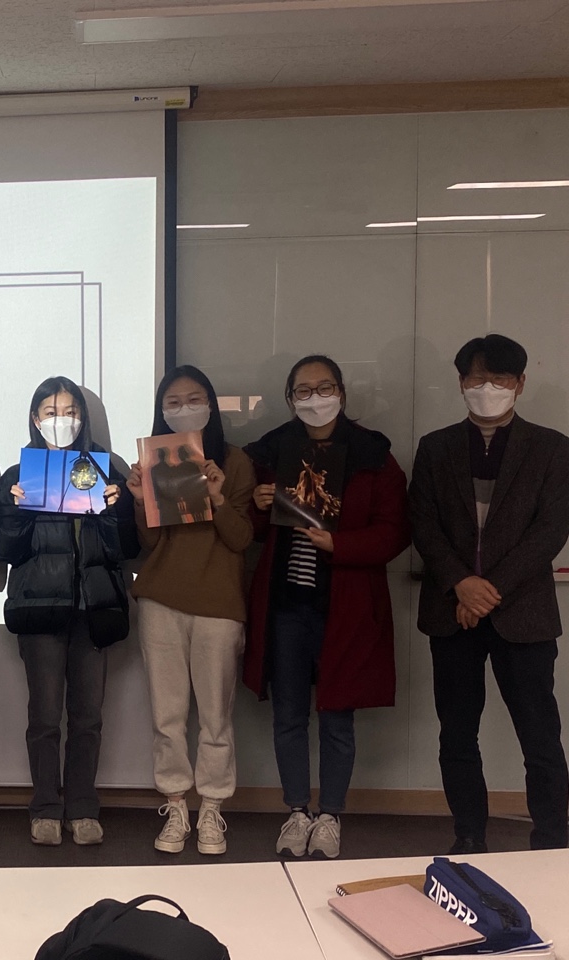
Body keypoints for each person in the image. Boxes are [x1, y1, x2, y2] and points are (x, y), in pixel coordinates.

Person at [243, 354, 409, 860]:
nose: (315, 398)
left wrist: (341, 545)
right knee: (289, 714)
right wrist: (258, 503)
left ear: (342, 392)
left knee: (337, 716)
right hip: (285, 605)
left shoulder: (373, 453)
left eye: (325, 387)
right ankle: (297, 811)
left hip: (346, 606)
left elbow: (395, 531)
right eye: (303, 390)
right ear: (289, 398)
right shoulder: (271, 450)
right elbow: (248, 532)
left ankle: (331, 814)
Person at [410, 334, 569, 853]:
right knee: (457, 734)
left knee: (540, 737)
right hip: (450, 611)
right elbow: (424, 524)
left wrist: (486, 591)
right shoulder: (435, 447)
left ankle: (552, 840)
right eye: (477, 378)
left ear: (520, 383)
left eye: (500, 378)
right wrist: (461, 583)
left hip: (522, 612)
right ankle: (468, 836)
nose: (488, 388)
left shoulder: (552, 447)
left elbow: (550, 531)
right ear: (461, 383)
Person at [0, 377, 139, 846]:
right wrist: (16, 512)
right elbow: (1, 550)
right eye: (50, 412)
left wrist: (118, 510)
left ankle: (83, 806)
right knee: (45, 718)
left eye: (69, 411)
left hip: (94, 608)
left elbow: (128, 548)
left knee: (88, 717)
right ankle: (46, 807)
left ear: (83, 418)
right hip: (40, 610)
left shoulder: (107, 470)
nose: (61, 420)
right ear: (35, 419)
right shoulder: (17, 476)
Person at [126, 365, 254, 855]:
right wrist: (139, 500)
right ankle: (176, 804)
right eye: (173, 402)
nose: (184, 409)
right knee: (168, 716)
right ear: (161, 411)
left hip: (219, 605)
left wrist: (217, 497)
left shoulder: (235, 462)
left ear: (211, 405)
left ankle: (213, 808)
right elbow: (149, 542)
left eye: (194, 399)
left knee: (216, 717)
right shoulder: (154, 462)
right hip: (160, 600)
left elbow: (241, 539)